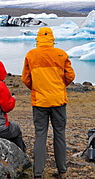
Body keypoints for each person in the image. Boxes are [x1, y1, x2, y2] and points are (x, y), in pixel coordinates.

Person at [21, 27, 75, 179]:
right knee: (60, 134)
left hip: (39, 102)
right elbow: (70, 75)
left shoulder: (31, 55)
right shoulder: (61, 54)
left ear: (37, 39)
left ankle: (38, 173)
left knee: (40, 135)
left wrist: (37, 88)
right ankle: (62, 172)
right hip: (58, 100)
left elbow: (25, 78)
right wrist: (58, 86)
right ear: (52, 38)